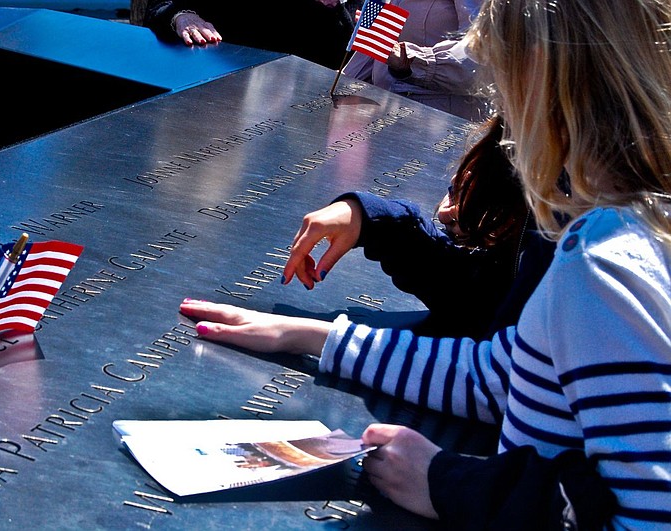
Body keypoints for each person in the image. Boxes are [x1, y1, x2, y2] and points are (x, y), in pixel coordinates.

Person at [179, 0, 671, 526]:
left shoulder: (605, 259)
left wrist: (448, 485)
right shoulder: (617, 223)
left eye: (500, 85)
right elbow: (504, 376)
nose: (497, 115)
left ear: (541, 84)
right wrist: (312, 336)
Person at [282, 113, 555, 340]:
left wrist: (324, 341)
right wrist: (372, 220)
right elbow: (481, 298)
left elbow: (496, 373)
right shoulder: (526, 133)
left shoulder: (581, 220)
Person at [343, 0, 487, 121]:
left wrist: (415, 62)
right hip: (385, 113)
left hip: (439, 122)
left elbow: (481, 58)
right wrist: (341, 84)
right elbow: (379, 44)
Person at [143, 0, 355, 70]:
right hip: (215, 77)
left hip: (289, 107)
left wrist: (332, 7)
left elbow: (338, 58)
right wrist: (182, 16)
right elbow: (159, 7)